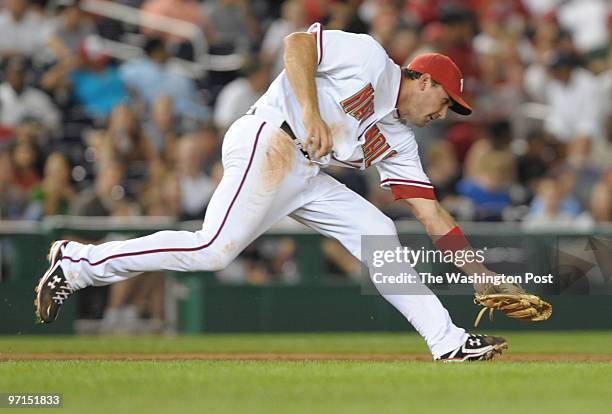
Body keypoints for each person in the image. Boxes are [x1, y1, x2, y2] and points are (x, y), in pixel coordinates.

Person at [36, 23, 511, 361]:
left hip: (306, 173)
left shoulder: (399, 139)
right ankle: (78, 264)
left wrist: (478, 272)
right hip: (271, 139)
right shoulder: (370, 58)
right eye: (446, 101)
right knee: (212, 250)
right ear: (423, 80)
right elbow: (298, 43)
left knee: (379, 234)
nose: (445, 113)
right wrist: (311, 112)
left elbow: (430, 213)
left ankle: (447, 341)